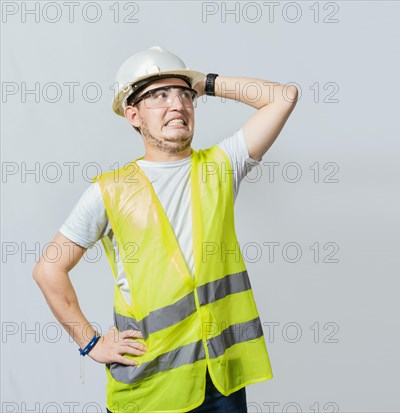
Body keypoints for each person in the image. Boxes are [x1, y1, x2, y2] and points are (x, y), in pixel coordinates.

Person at [32, 46, 298, 413]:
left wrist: (203, 82)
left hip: (220, 379)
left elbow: (283, 97)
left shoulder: (221, 167)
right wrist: (91, 343)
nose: (176, 104)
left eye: (183, 95)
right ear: (133, 114)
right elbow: (49, 269)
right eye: (158, 95)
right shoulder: (109, 190)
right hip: (148, 384)